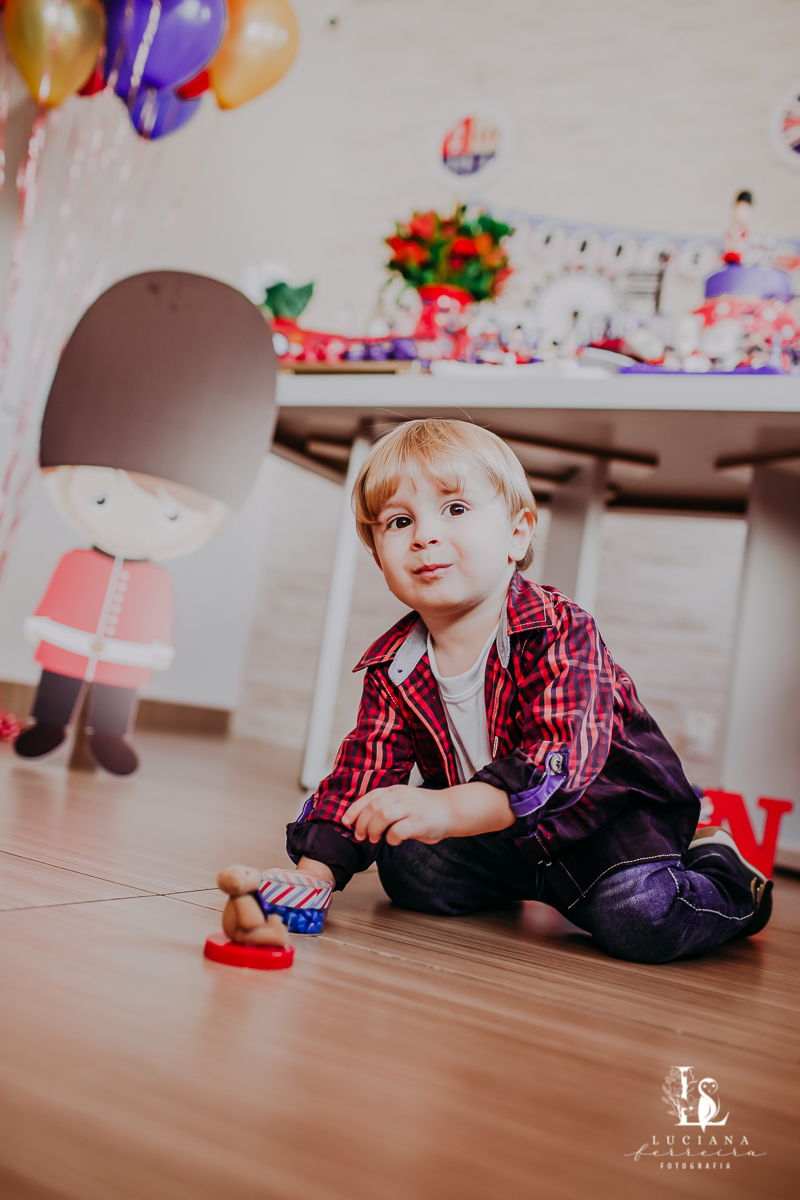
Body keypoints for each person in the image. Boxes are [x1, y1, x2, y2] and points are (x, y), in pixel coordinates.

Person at [280, 418, 772, 963]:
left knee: (642, 920)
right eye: (399, 521)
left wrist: (446, 810)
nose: (424, 536)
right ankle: (533, 884)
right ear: (379, 556)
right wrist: (313, 874)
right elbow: (362, 772)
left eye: (456, 509)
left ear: (517, 534)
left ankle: (726, 873)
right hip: (501, 836)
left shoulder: (559, 629)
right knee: (410, 869)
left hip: (603, 827)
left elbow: (557, 759)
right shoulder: (394, 666)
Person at [15, 270, 277, 775]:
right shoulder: (77, 560)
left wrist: (154, 649)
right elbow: (57, 600)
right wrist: (42, 623)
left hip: (124, 654)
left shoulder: (154, 580)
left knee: (117, 687)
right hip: (68, 643)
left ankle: (108, 736)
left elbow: (153, 620)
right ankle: (49, 724)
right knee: (60, 679)